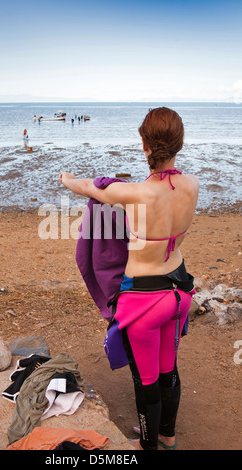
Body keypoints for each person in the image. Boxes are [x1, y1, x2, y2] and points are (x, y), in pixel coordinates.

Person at [60, 107, 199, 450]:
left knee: (147, 380)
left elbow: (87, 187)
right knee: (169, 369)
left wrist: (66, 177)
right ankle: (167, 436)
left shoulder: (134, 193)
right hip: (179, 292)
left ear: (144, 145)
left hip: (145, 301)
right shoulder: (193, 184)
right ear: (179, 143)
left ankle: (146, 446)